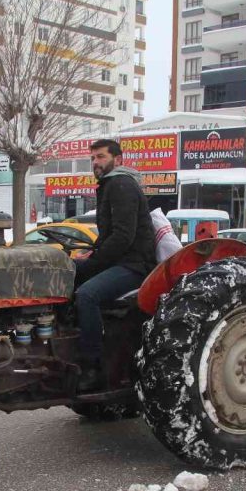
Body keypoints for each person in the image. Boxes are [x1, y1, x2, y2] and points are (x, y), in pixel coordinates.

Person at [74, 139, 156, 390]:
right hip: (121, 260)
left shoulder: (121, 185)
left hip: (135, 265)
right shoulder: (110, 185)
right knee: (68, 276)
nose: (95, 163)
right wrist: (91, 253)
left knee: (86, 295)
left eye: (100, 157)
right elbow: (110, 234)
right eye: (93, 158)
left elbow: (123, 237)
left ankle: (92, 366)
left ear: (118, 160)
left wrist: (94, 262)